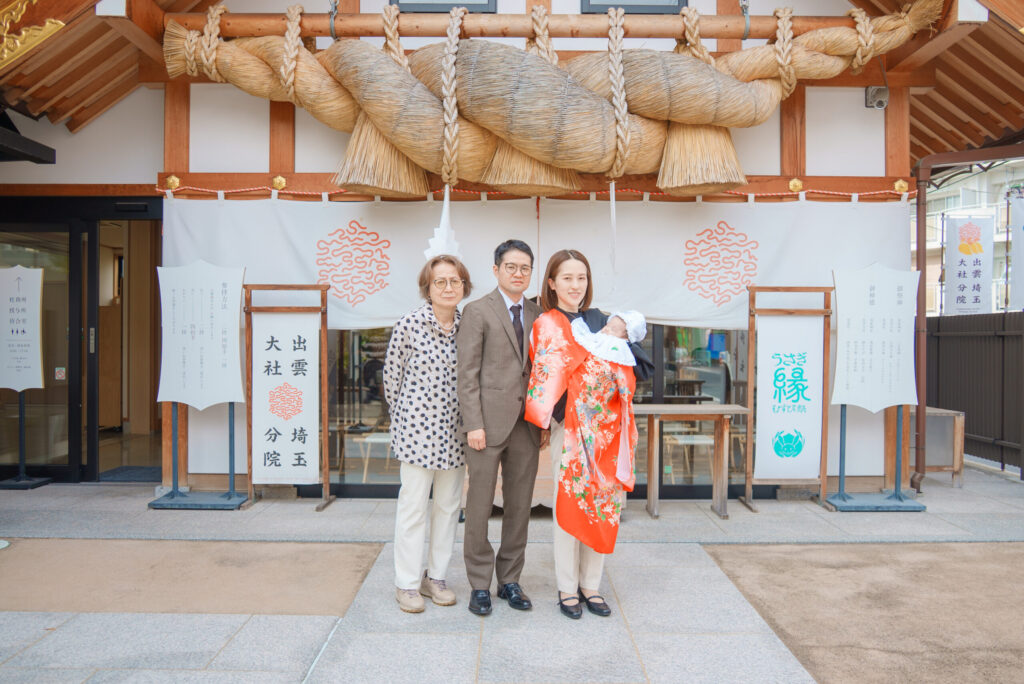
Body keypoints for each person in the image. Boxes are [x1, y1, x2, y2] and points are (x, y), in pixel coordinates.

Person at [524, 249, 647, 620]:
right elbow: (542, 377)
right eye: (567, 278)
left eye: (581, 278)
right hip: (569, 429)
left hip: (607, 431)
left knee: (603, 503)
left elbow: (640, 366)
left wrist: (620, 340)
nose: (575, 285)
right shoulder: (546, 322)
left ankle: (591, 584)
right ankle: (567, 586)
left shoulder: (603, 320)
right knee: (570, 501)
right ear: (552, 283)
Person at [456, 239, 543, 616]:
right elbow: (466, 374)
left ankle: (510, 579)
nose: (518, 273)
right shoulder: (477, 311)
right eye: (511, 267)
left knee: (520, 506)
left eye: (525, 268)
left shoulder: (539, 313)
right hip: (486, 426)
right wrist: (473, 423)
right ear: (496, 270)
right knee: (479, 506)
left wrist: (544, 419)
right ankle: (479, 583)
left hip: (527, 424)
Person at [384, 254, 473, 613]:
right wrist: (405, 418)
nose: (448, 287)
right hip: (416, 433)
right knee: (413, 508)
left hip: (455, 433)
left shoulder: (470, 326)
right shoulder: (409, 325)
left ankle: (435, 577)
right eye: (441, 281)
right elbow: (392, 380)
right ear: (428, 287)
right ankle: (406, 583)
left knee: (448, 508)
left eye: (455, 281)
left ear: (464, 286)